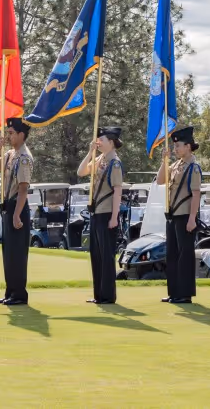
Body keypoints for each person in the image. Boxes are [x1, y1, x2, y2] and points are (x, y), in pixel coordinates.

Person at [0, 117, 35, 306]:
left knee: (18, 254)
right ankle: (10, 291)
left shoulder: (23, 158)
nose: (9, 136)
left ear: (22, 135)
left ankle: (19, 294)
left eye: (12, 133)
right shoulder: (9, 155)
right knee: (8, 254)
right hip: (9, 207)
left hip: (17, 208)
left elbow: (23, 188)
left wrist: (16, 214)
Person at [77, 126, 124, 304]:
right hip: (96, 213)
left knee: (106, 256)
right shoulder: (100, 160)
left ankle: (108, 295)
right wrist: (90, 152)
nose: (98, 142)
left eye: (101, 140)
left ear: (111, 142)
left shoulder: (115, 163)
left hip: (107, 214)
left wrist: (114, 217)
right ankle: (98, 294)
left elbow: (118, 192)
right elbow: (81, 172)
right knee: (96, 255)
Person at [158, 126, 201, 304]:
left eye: (178, 146)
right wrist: (164, 161)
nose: (175, 149)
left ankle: (185, 293)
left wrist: (192, 218)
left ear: (188, 146)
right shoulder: (175, 165)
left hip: (185, 216)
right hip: (173, 215)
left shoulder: (193, 167)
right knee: (173, 255)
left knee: (185, 255)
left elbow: (196, 194)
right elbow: (160, 180)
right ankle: (174, 291)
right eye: (174, 147)